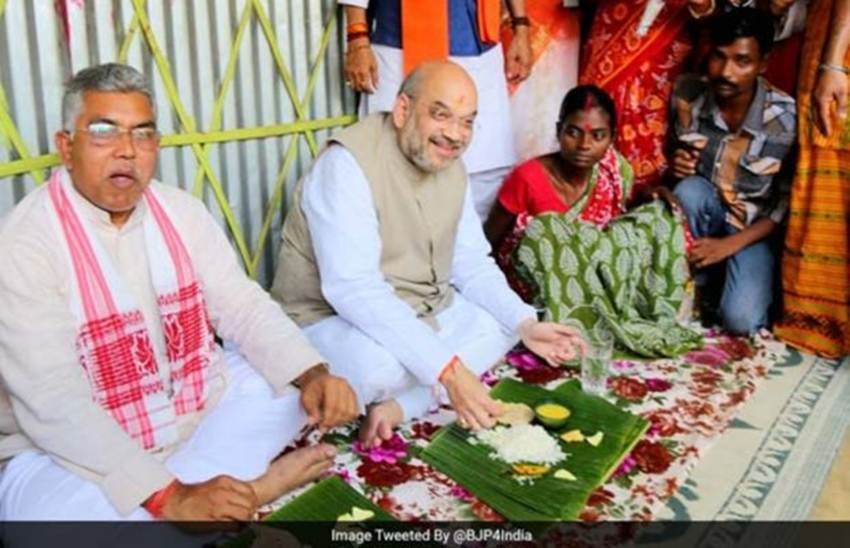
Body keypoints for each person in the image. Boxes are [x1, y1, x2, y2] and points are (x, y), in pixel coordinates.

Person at [0, 63, 359, 521]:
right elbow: (53, 401)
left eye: (143, 134)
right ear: (67, 148)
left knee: (293, 390)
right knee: (48, 523)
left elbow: (242, 306)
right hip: (64, 451)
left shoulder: (180, 211)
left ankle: (208, 496)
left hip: (187, 405)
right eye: (104, 133)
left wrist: (311, 375)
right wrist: (169, 497)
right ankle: (251, 488)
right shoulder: (23, 243)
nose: (127, 151)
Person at [271, 61, 586, 448]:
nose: (455, 135)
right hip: (330, 319)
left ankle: (401, 406)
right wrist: (451, 372)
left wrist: (525, 325)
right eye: (441, 116)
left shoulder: (449, 163)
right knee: (380, 367)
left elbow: (470, 264)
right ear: (403, 110)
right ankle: (422, 383)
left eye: (467, 121)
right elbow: (353, 290)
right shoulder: (347, 165)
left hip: (418, 310)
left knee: (505, 323)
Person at [486, 85, 701, 357]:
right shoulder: (527, 177)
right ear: (558, 130)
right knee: (547, 230)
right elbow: (489, 243)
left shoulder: (614, 170)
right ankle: (568, 327)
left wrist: (649, 195)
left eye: (597, 135)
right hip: (538, 290)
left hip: (599, 282)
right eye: (573, 132)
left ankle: (638, 313)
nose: (584, 145)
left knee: (657, 213)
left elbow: (623, 219)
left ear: (611, 138)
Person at [339, 0, 532, 220]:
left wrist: (521, 26)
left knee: (483, 167)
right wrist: (357, 39)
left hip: (479, 46)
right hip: (399, 41)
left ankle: (465, 249)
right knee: (394, 162)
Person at [669, 9, 797, 335]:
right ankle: (696, 284)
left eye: (742, 61)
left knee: (740, 322)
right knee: (689, 191)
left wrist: (728, 246)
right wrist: (676, 164)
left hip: (753, 232)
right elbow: (675, 162)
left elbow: (782, 208)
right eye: (718, 57)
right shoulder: (687, 95)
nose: (726, 72)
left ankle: (727, 284)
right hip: (706, 217)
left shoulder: (784, 118)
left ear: (763, 63)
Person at [775, 0, 850, 358]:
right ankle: (824, 317)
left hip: (837, 63)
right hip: (827, 51)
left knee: (831, 178)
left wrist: (833, 62)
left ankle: (826, 318)